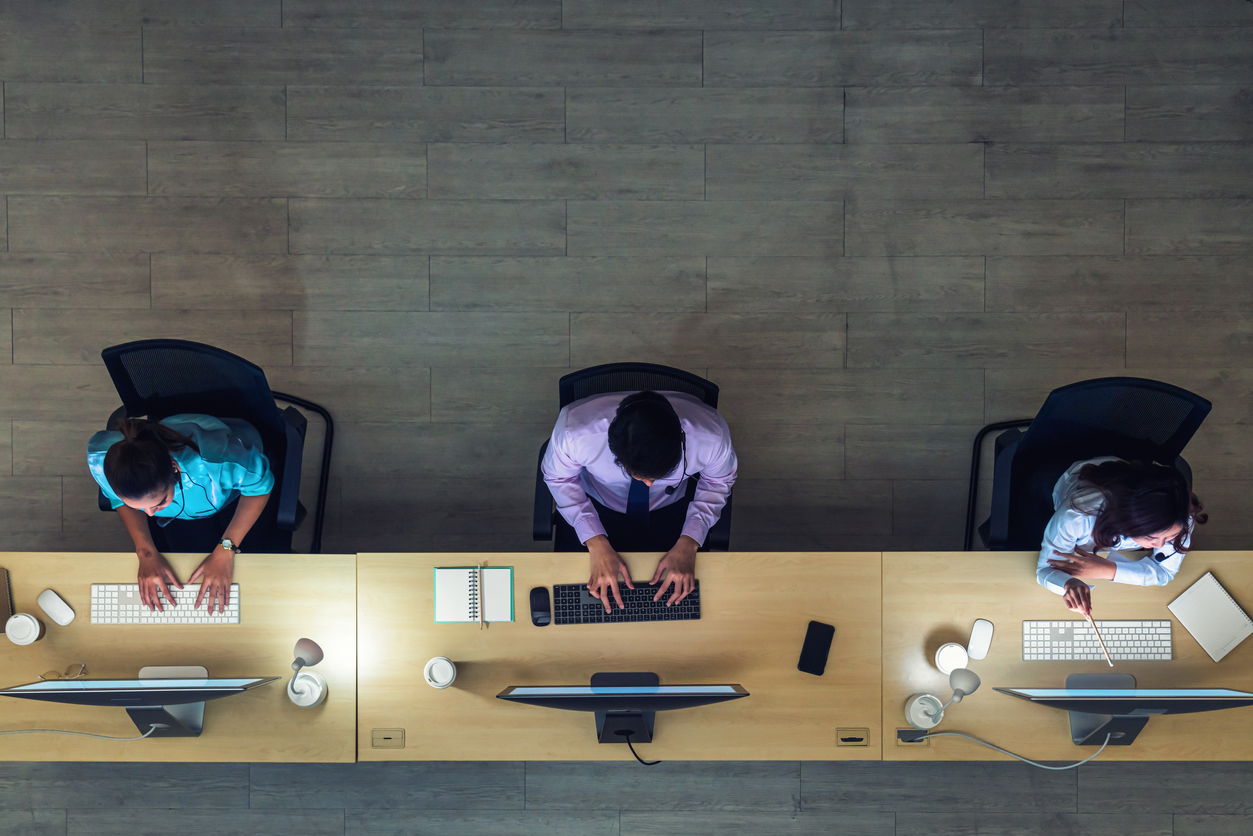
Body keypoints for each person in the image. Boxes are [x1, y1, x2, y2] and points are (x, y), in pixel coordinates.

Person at [542, 390, 737, 613]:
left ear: (682, 441)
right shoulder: (575, 432)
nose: (648, 485)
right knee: (579, 600)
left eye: (658, 476)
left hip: (671, 507)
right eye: (639, 476)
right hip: (596, 505)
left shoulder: (711, 436)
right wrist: (594, 540)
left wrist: (690, 540)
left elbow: (718, 480)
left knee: (685, 601)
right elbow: (559, 477)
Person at [87, 415, 274, 614]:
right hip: (185, 510)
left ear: (175, 470)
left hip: (231, 491)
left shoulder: (217, 461)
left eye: (159, 503)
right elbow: (116, 498)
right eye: (137, 506)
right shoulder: (105, 460)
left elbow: (260, 487)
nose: (149, 515)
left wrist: (226, 549)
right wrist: (145, 552)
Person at [1038, 456, 1207, 615]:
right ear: (1127, 521)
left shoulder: (1180, 513)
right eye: (1150, 538)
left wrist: (1109, 570)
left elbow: (1165, 572)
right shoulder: (1076, 516)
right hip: (1062, 479)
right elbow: (1045, 569)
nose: (1161, 546)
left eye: (1169, 538)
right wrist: (1068, 584)